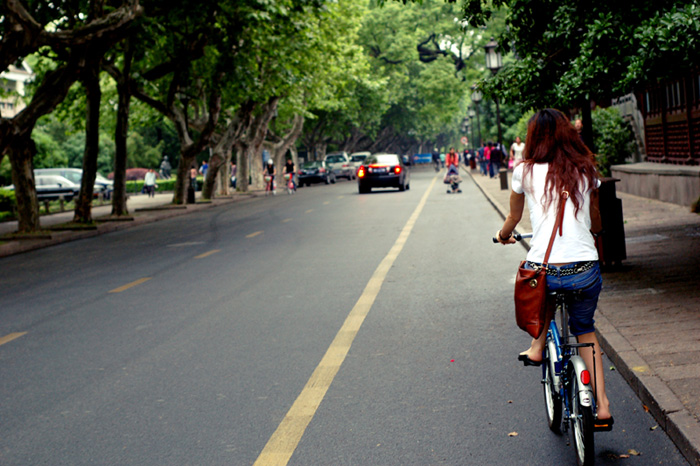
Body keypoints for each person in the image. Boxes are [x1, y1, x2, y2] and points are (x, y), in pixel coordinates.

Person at [495, 108, 611, 429]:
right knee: (585, 330)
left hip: (546, 267)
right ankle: (602, 407)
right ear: (568, 135)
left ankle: (537, 347)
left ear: (533, 138)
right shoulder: (586, 169)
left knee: (541, 284)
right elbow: (597, 219)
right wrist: (593, 229)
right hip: (585, 267)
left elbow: (513, 219)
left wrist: (503, 236)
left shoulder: (524, 171)